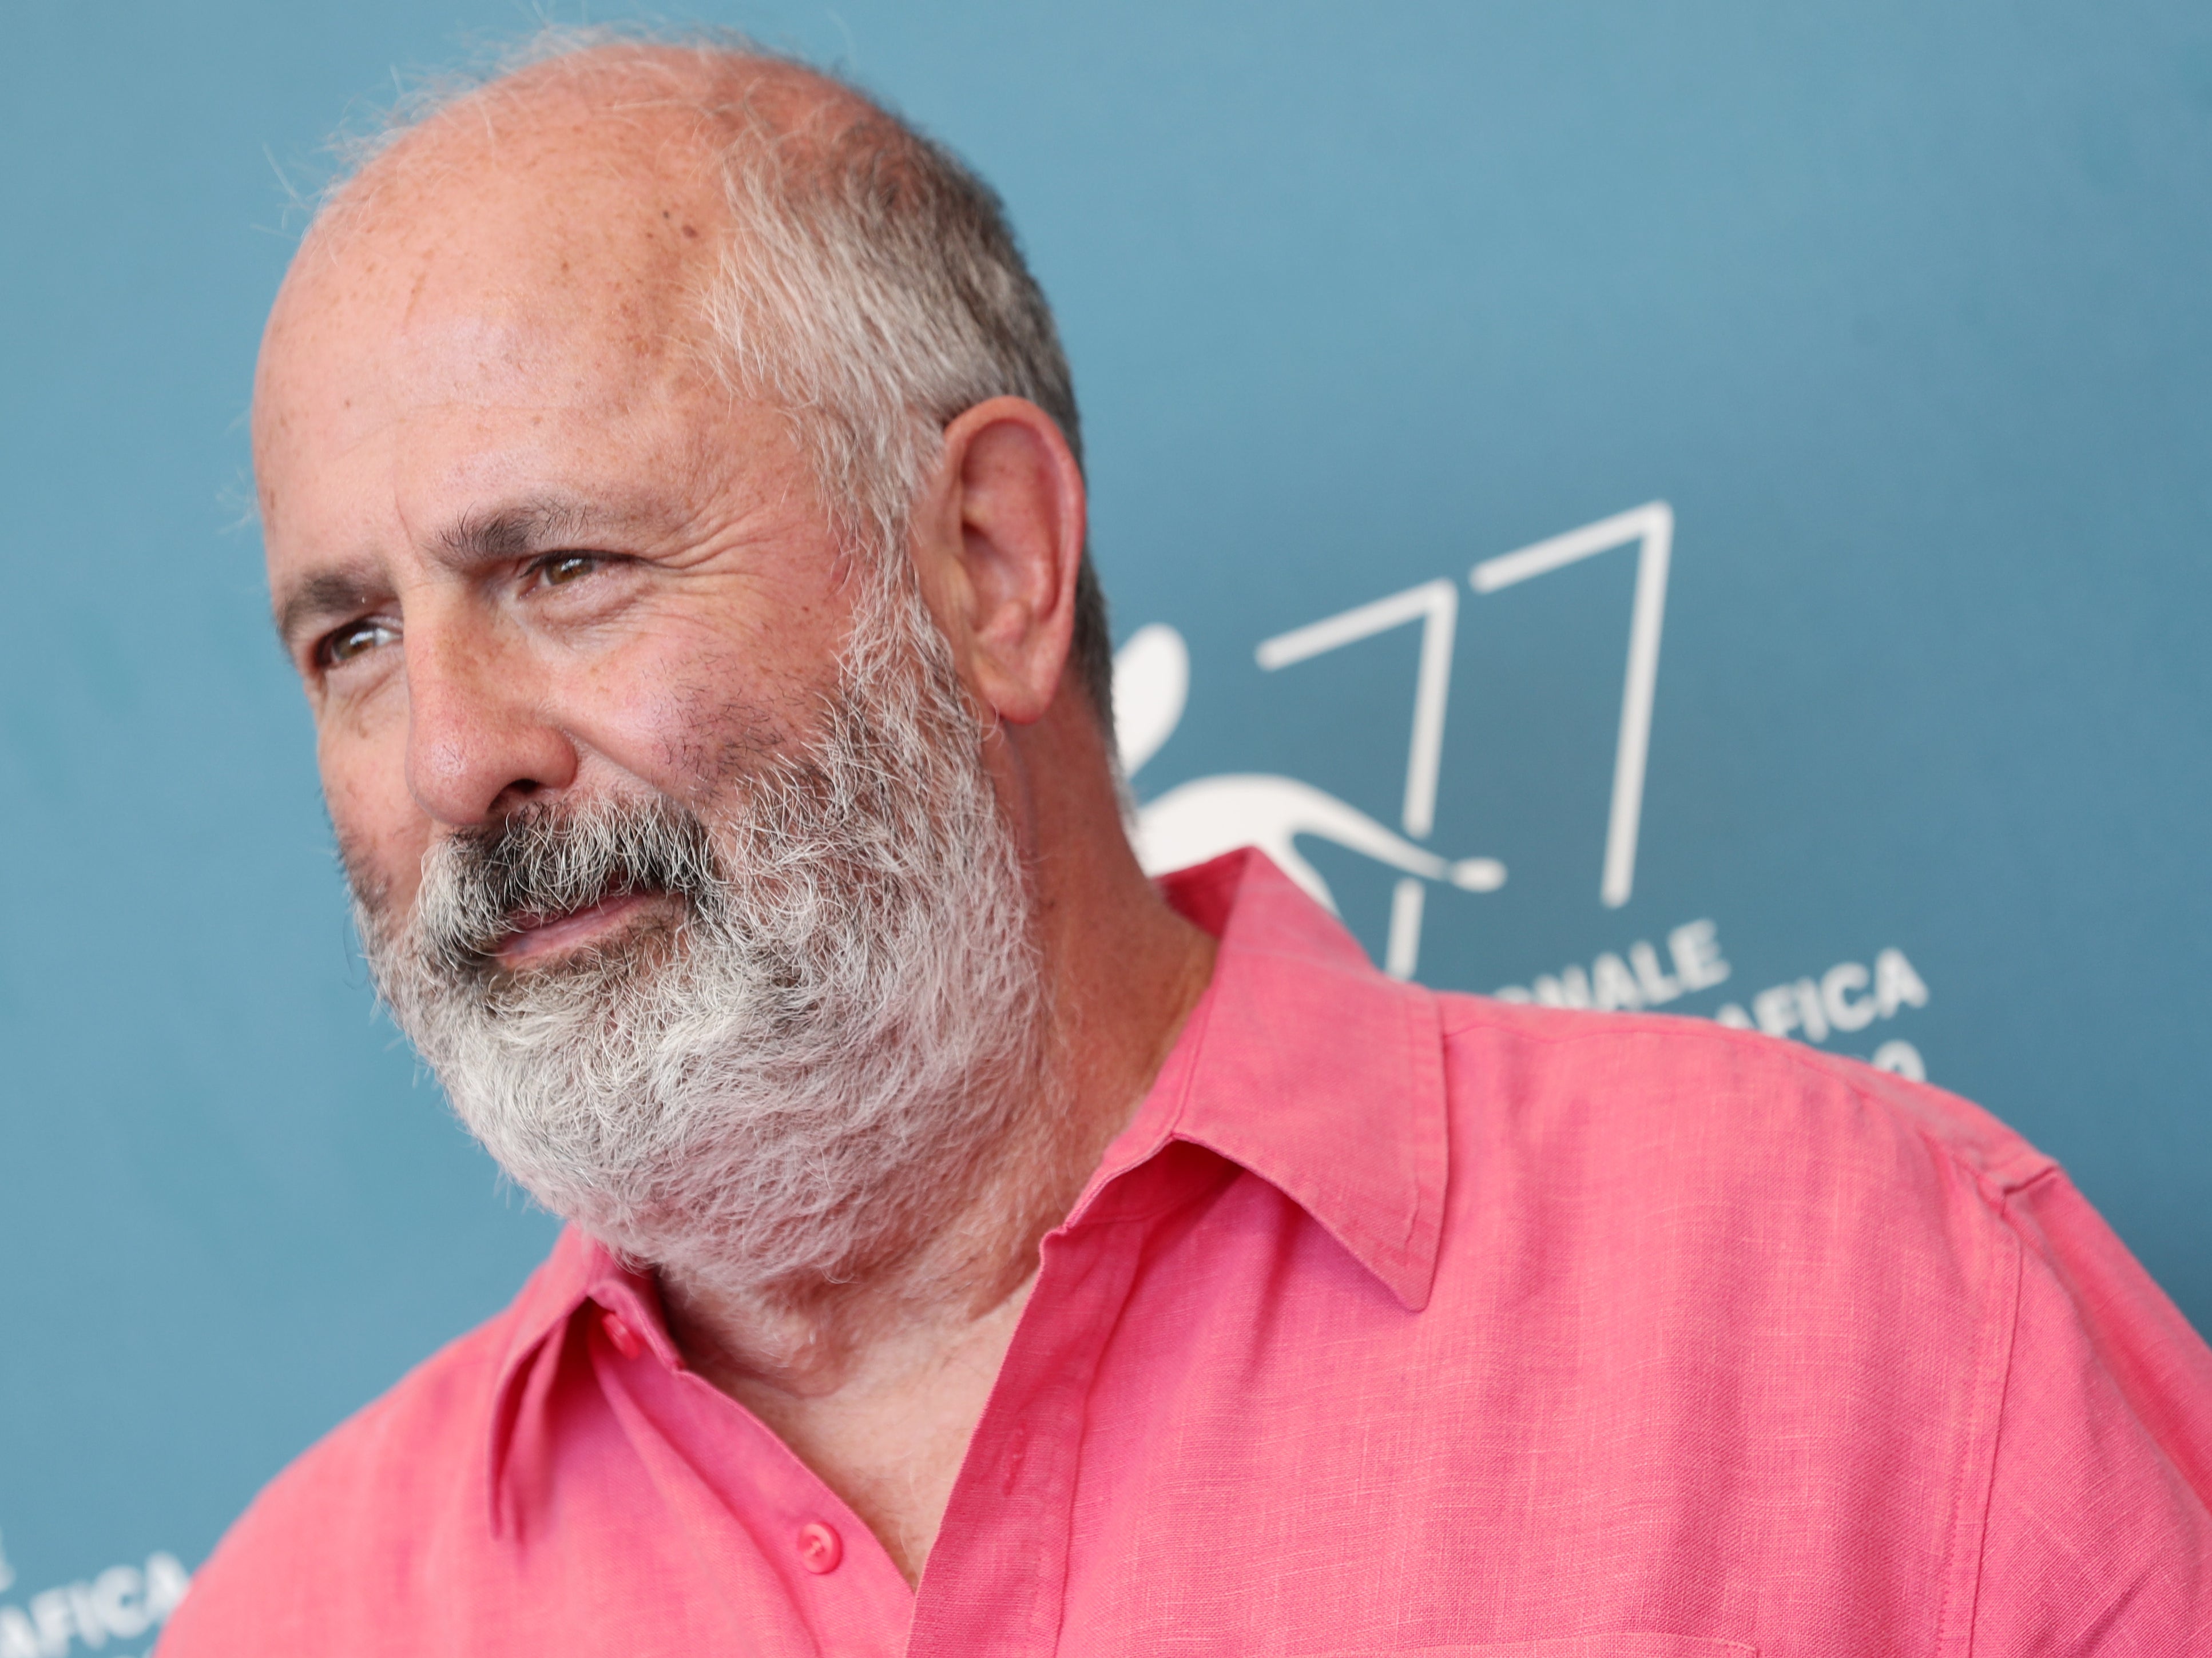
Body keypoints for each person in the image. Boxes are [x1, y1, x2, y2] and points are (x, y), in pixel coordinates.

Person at [162, 29, 2212, 1656]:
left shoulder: (1871, 1289)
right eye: (349, 637)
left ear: (987, 560)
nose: (447, 757)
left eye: (567, 566)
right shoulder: (296, 1618)